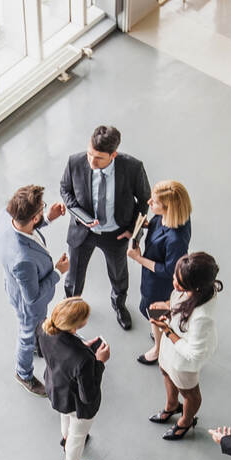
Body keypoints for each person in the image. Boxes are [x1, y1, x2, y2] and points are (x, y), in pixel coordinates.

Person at [59, 125, 151, 331]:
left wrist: (133, 231)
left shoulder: (132, 167)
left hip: (115, 234)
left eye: (99, 158)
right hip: (83, 231)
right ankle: (71, 306)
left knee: (119, 275)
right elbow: (65, 189)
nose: (91, 161)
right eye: (90, 154)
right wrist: (79, 214)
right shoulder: (75, 161)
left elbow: (145, 199)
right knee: (73, 276)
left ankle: (119, 305)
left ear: (114, 155)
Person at [0, 184, 69, 396]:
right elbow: (32, 297)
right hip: (29, 303)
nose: (42, 210)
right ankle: (23, 373)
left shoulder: (5, 215)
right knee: (26, 336)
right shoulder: (23, 260)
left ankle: (39, 341)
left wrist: (48, 217)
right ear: (34, 218)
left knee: (36, 329)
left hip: (13, 285)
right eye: (41, 209)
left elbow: (26, 228)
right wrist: (58, 271)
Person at [149, 252, 222, 441]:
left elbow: (192, 354)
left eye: (179, 282)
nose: (174, 282)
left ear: (195, 286)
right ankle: (172, 405)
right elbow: (180, 303)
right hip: (172, 342)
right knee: (165, 370)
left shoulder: (202, 316)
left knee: (190, 393)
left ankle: (185, 421)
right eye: (175, 276)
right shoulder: (196, 290)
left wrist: (167, 331)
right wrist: (167, 306)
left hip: (183, 359)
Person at [38, 297, 109, 460]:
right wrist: (100, 362)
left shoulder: (44, 328)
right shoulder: (83, 359)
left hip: (56, 390)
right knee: (78, 434)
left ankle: (65, 437)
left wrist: (81, 346)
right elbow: (88, 396)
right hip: (77, 404)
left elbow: (49, 352)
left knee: (66, 419)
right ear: (76, 325)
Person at [125, 180, 192, 364]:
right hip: (152, 278)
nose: (148, 203)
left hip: (158, 284)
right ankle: (159, 334)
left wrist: (138, 258)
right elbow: (158, 225)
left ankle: (158, 350)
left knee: (155, 311)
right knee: (154, 313)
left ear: (168, 208)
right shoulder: (173, 216)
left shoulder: (175, 239)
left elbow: (170, 270)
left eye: (154, 202)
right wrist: (146, 226)